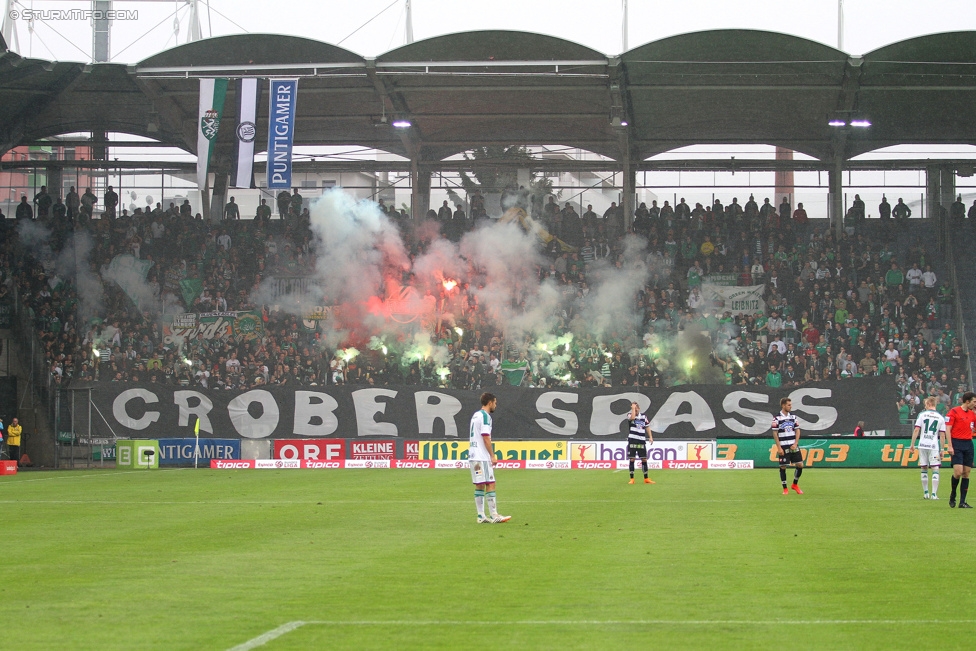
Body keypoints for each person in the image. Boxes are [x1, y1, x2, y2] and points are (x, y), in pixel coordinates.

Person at [468, 392, 511, 524]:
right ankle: (494, 514)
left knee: (480, 485)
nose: (496, 405)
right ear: (490, 402)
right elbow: (486, 437)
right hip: (482, 456)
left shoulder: (476, 415)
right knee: (490, 483)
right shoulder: (486, 417)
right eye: (495, 403)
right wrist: (492, 455)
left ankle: (481, 516)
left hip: (473, 455)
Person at [910, 396, 948, 500]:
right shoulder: (940, 417)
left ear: (927, 404)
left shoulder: (922, 415)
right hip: (933, 446)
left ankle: (926, 493)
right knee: (935, 468)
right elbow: (942, 435)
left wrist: (912, 444)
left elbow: (916, 430)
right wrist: (942, 449)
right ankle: (934, 494)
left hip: (922, 444)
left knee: (924, 468)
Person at [945, 392, 976, 508]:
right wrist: (949, 445)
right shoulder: (954, 411)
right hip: (957, 443)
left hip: (968, 444)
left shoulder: (973, 414)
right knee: (958, 472)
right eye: (974, 401)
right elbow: (948, 428)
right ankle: (953, 494)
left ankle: (962, 502)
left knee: (966, 473)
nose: (975, 404)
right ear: (967, 401)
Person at [772, 397, 804, 494]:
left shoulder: (793, 417)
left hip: (793, 445)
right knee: (783, 466)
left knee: (800, 465)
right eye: (789, 405)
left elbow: (797, 430)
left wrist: (796, 443)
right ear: (783, 405)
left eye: (791, 404)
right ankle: (785, 488)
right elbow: (775, 433)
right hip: (783, 446)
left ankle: (795, 484)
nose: (790, 406)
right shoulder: (777, 418)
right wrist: (779, 447)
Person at [626, 401, 655, 484]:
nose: (635, 409)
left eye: (636, 408)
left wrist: (650, 437)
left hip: (641, 440)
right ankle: (632, 479)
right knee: (632, 459)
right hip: (632, 439)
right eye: (634, 408)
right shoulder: (629, 415)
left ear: (639, 408)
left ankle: (646, 478)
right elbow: (632, 418)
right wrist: (633, 409)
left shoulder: (643, 416)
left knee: (644, 459)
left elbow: (647, 427)